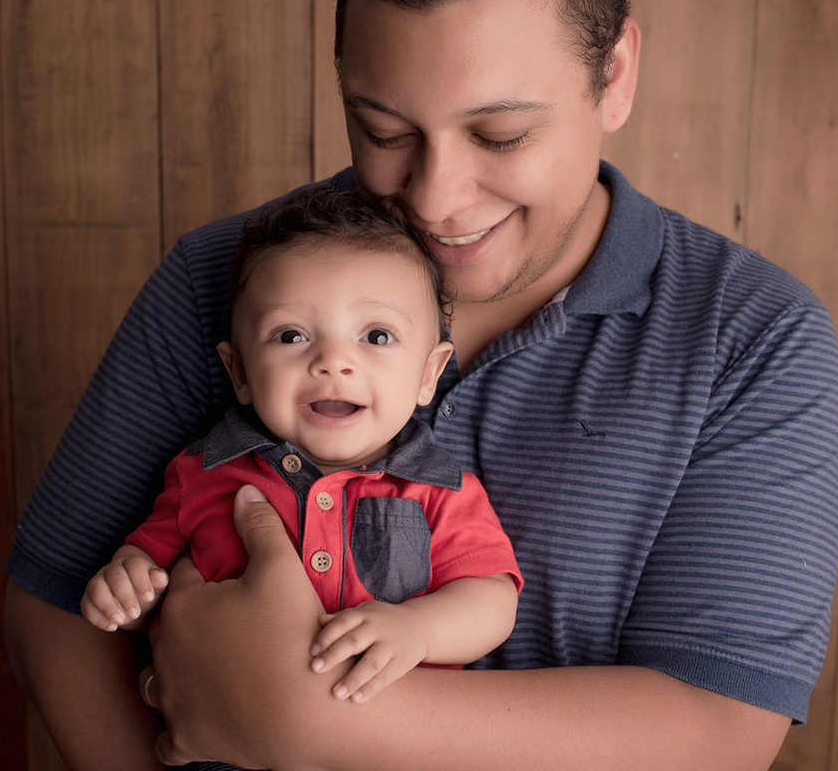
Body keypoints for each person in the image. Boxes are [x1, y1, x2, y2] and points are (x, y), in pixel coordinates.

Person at [4, 0, 838, 769]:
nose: (437, 200)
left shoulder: (752, 337)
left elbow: (719, 730)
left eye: (500, 134)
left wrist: (296, 716)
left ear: (614, 74)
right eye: (385, 132)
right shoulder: (225, 280)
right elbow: (56, 603)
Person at [79, 188, 522, 705]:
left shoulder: (439, 491)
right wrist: (126, 588)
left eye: (376, 337)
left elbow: (492, 600)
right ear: (240, 372)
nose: (333, 361)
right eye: (290, 336)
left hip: (397, 744)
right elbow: (145, 571)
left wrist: (417, 628)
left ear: (429, 375)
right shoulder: (202, 474)